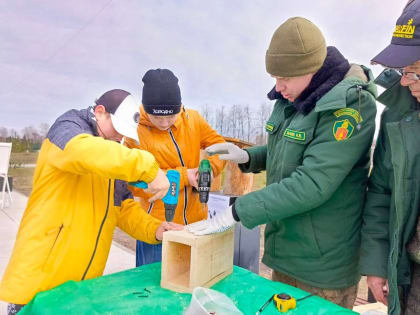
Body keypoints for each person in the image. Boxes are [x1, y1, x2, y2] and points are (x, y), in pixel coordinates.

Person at [188, 17, 377, 309]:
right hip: (287, 251)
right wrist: (249, 157)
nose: (279, 87)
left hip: (322, 266)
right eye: (275, 78)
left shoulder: (349, 107)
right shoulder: (295, 97)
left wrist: (238, 212)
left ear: (310, 69)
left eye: (284, 79)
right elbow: (288, 149)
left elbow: (312, 183)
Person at [0, 89, 182, 314]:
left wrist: (155, 229)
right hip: (40, 286)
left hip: (79, 289)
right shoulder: (68, 129)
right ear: (100, 112)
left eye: (124, 134)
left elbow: (124, 209)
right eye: (117, 129)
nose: (119, 138)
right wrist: (148, 168)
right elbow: (85, 152)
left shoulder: (112, 156)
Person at [125, 69, 226, 266]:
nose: (164, 123)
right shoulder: (133, 132)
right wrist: (183, 177)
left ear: (179, 108)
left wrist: (209, 169)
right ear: (146, 109)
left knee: (193, 283)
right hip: (159, 229)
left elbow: (220, 147)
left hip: (196, 226)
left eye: (171, 116)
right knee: (152, 289)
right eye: (157, 117)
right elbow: (133, 182)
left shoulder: (193, 119)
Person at [359, 1, 420, 314]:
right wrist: (376, 262)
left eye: (417, 73)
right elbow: (381, 191)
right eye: (403, 71)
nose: (406, 82)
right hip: (411, 279)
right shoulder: (397, 115)